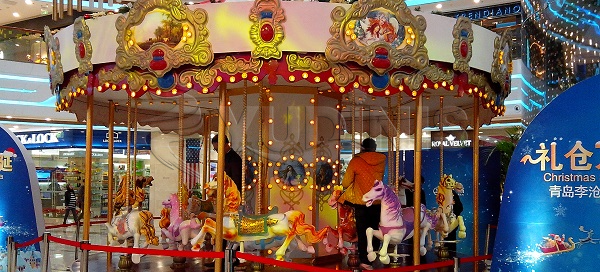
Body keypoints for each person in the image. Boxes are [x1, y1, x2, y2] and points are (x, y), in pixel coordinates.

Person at [338, 138, 386, 271]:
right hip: (377, 201)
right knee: (375, 229)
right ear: (374, 148)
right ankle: (374, 255)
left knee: (363, 231)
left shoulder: (356, 161)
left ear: (362, 147)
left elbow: (346, 183)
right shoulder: (381, 160)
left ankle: (365, 260)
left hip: (362, 201)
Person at [209, 134, 242, 270]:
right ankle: (220, 257)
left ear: (226, 144)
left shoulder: (234, 159)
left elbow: (235, 181)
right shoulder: (226, 158)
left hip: (232, 200)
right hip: (226, 199)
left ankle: (228, 258)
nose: (217, 152)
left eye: (217, 149)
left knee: (227, 229)